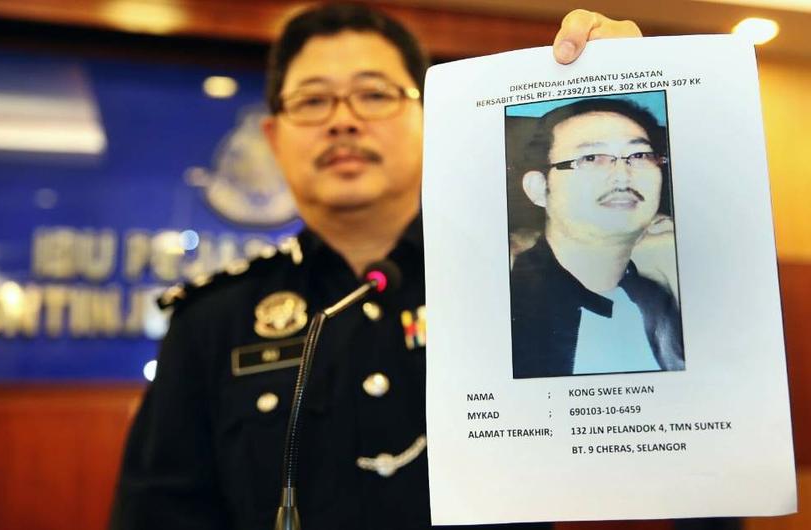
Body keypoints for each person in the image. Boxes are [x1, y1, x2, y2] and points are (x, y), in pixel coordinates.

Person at [109, 4, 644, 529]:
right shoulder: (211, 322)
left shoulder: (514, 283)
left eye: (373, 94)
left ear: (429, 118)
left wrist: (632, 79)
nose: (343, 120)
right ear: (274, 138)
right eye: (313, 100)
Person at [510, 98, 685, 379]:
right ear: (539, 188)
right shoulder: (507, 310)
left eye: (639, 156)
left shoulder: (662, 299)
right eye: (591, 159)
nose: (622, 177)